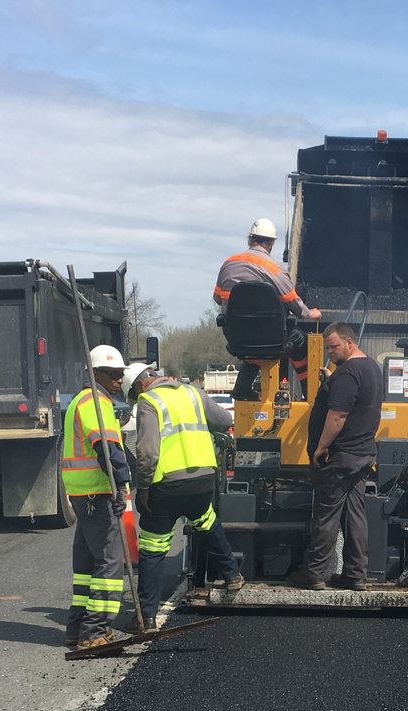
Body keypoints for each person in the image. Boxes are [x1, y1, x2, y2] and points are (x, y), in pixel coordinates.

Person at [124, 365, 243, 629]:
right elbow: (224, 420)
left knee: (153, 548)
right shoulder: (192, 392)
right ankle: (233, 574)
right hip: (202, 480)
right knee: (207, 522)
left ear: (140, 384)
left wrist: (143, 488)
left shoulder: (148, 400)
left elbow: (147, 451)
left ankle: (147, 617)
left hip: (166, 485)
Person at [286, 322, 383, 590]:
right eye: (327, 347)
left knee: (327, 516)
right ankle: (355, 575)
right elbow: (357, 401)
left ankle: (313, 574)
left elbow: (338, 415)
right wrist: (332, 380)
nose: (329, 351)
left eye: (334, 346)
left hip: (340, 456)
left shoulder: (348, 373)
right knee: (354, 516)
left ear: (349, 343)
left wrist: (321, 447)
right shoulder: (371, 368)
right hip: (362, 453)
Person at [63, 346, 132, 650]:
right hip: (97, 490)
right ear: (95, 374)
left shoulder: (81, 400)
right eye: (114, 374)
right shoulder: (95, 401)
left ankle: (77, 626)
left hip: (83, 491)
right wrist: (122, 483)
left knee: (87, 562)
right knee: (109, 560)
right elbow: (105, 446)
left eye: (121, 374)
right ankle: (94, 631)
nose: (119, 380)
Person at [215, 218, 322, 401]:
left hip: (236, 336)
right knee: (300, 342)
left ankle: (242, 387)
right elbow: (292, 302)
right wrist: (309, 313)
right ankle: (310, 394)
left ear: (250, 240)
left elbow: (218, 298)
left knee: (256, 344)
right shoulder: (274, 268)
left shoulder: (228, 264)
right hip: (270, 337)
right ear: (271, 245)